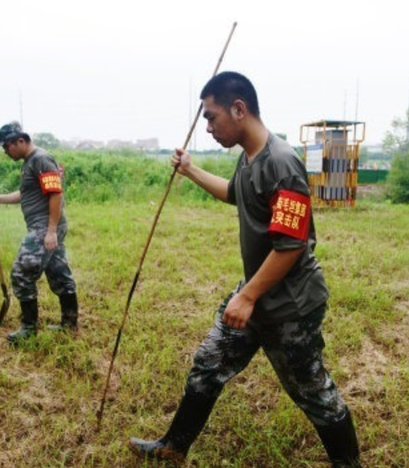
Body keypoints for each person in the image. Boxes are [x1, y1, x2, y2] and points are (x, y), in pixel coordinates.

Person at [128, 72, 362, 467]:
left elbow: (290, 246)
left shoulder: (283, 163)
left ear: (239, 109)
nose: (208, 126)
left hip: (289, 304)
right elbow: (235, 193)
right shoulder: (249, 157)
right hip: (254, 294)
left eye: (212, 116)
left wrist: (248, 295)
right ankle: (173, 447)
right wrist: (190, 170)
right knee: (208, 364)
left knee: (313, 392)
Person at [0, 122, 79, 344]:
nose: (6, 152)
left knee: (21, 273)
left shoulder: (41, 159)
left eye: (7, 147)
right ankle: (70, 323)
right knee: (58, 272)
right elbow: (24, 195)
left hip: (45, 227)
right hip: (45, 227)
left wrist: (51, 231)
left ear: (20, 141)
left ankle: (28, 328)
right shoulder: (29, 163)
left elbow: (55, 194)